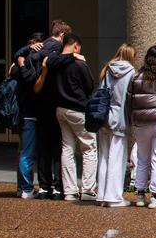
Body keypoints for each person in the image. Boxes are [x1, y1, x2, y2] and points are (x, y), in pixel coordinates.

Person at [46, 33, 97, 201]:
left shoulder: (55, 62)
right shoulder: (79, 63)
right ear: (75, 45)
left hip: (60, 109)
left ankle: (70, 191)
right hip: (78, 109)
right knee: (89, 148)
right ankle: (88, 189)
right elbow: (89, 86)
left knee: (67, 149)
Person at [29, 20, 74, 200]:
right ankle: (56, 186)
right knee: (57, 147)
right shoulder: (56, 50)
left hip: (39, 103)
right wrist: (73, 56)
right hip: (54, 102)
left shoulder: (35, 50)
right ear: (62, 35)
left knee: (43, 147)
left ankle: (44, 186)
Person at [127, 45, 156, 209]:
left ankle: (140, 195)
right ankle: (155, 196)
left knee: (142, 159)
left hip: (141, 124)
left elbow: (129, 101)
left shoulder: (135, 77)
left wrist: (131, 119)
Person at [97, 43, 136, 207]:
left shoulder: (108, 70)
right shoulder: (131, 72)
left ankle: (102, 194)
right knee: (117, 158)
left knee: (104, 157)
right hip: (120, 118)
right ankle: (113, 196)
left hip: (104, 117)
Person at [11, 32, 45, 199]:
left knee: (25, 151)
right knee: (27, 152)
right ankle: (26, 188)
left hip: (26, 114)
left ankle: (23, 187)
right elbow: (29, 78)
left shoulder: (19, 65)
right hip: (28, 114)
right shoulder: (25, 66)